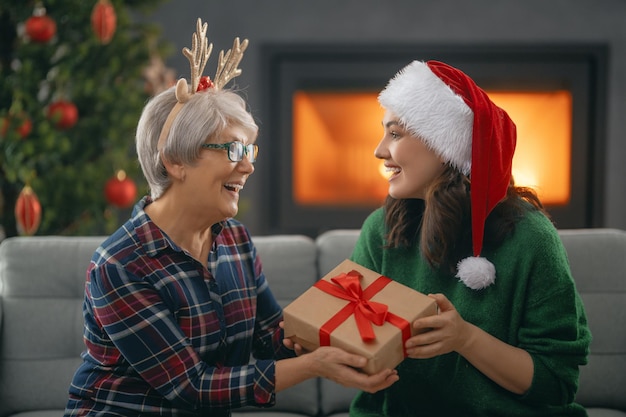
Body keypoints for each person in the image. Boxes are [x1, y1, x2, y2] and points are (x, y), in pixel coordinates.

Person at [64, 19, 398, 416]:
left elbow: (269, 339)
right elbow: (191, 386)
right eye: (235, 151)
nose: (248, 167)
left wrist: (339, 325)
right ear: (175, 161)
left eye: (250, 153)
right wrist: (313, 366)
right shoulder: (120, 264)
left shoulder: (234, 240)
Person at [348, 60, 591, 416]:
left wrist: (465, 339)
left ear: (444, 145)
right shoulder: (382, 229)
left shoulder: (532, 238)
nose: (380, 150)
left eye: (395, 133)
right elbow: (359, 345)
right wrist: (316, 343)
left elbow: (557, 383)